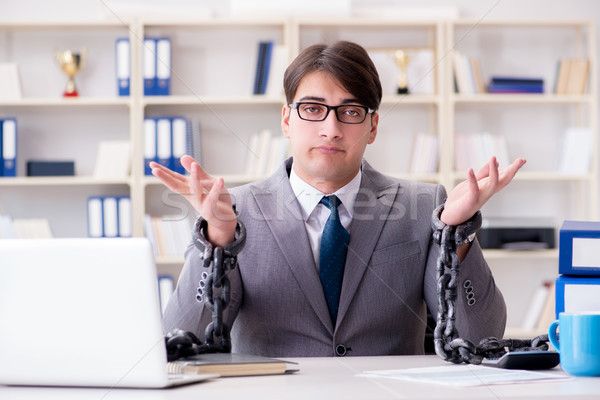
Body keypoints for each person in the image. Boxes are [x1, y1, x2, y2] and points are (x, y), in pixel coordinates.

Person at [151, 41, 526, 358]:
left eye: (350, 112)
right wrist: (217, 239)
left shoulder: (424, 205)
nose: (330, 130)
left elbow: (481, 338)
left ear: (372, 126)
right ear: (286, 121)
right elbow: (184, 340)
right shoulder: (233, 212)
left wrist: (456, 232)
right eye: (312, 109)